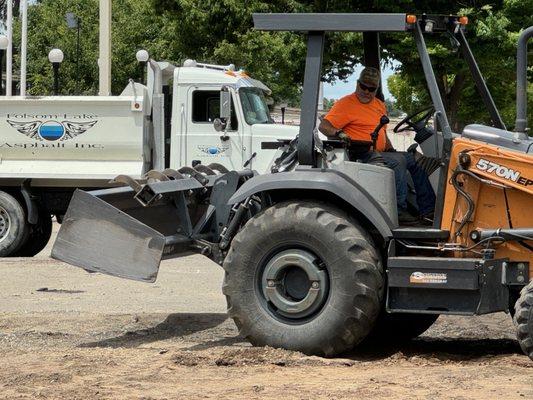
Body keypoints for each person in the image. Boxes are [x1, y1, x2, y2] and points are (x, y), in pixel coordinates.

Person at [318, 66, 435, 224]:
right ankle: (399, 211)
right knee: (398, 161)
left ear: (376, 89)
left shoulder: (379, 105)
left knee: (414, 159)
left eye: (371, 89)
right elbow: (324, 126)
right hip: (359, 153)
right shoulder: (346, 103)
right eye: (363, 86)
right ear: (357, 84)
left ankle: (428, 210)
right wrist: (339, 133)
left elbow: (382, 132)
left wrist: (391, 148)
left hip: (378, 152)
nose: (366, 92)